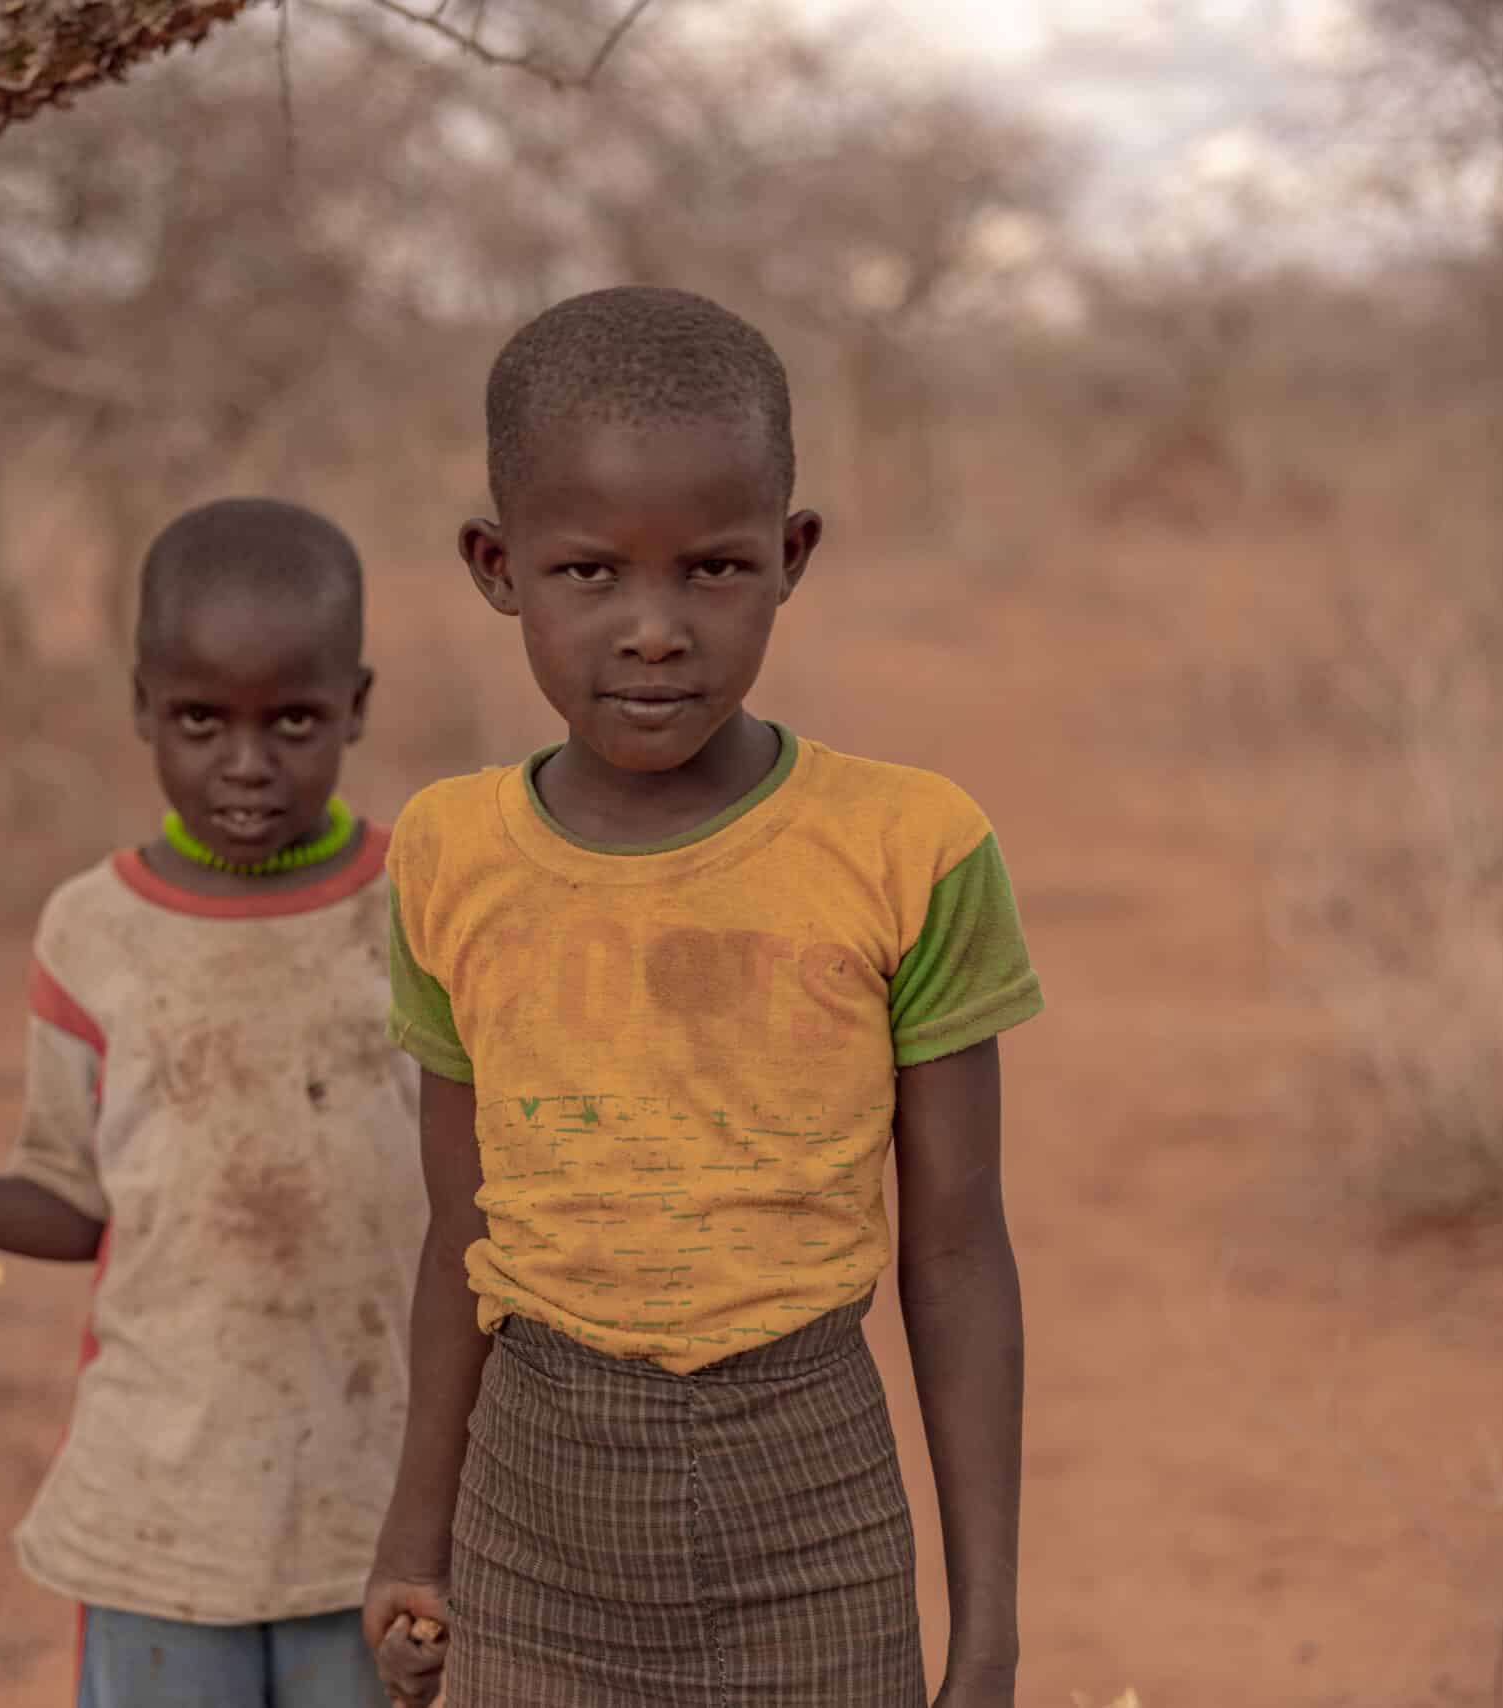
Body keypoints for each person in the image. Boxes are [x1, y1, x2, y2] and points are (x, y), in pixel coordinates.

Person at [362, 287, 1043, 1708]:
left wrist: (986, 1634)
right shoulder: (448, 855)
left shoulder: (909, 850)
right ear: (498, 565)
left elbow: (960, 1252)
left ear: (792, 557)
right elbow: (459, 1230)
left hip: (815, 1510)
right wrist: (412, 1542)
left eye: (716, 571)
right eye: (591, 573)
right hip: (532, 1516)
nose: (656, 630)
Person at [0, 497, 422, 1708]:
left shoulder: (421, 905)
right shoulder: (94, 930)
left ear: (357, 706)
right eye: (201, 721)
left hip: (382, 1507)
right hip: (160, 1504)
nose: (246, 764)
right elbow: (74, 1200)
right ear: (143, 706)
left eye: (294, 721)